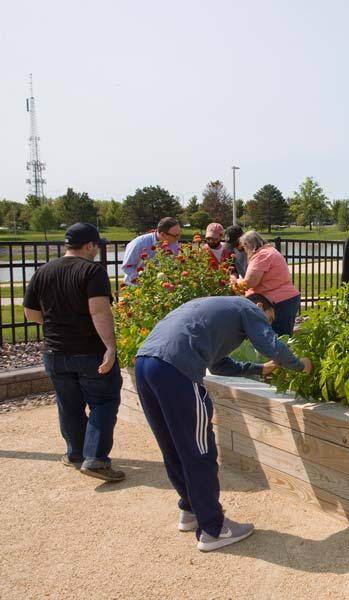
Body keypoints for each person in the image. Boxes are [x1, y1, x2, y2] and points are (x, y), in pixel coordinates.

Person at [134, 294, 314, 552]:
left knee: (174, 446)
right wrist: (299, 365)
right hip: (176, 370)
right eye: (268, 320)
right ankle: (213, 529)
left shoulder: (217, 311)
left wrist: (259, 369)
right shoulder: (246, 307)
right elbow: (272, 345)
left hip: (145, 364)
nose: (266, 326)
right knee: (200, 451)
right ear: (260, 306)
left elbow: (219, 365)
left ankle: (190, 510)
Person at [23, 223, 125, 482]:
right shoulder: (93, 272)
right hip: (90, 351)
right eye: (96, 245)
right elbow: (99, 310)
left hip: (55, 352)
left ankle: (76, 455)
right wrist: (111, 347)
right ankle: (96, 459)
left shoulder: (43, 271)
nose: (97, 250)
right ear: (89, 245)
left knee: (69, 406)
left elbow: (32, 313)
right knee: (103, 402)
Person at [237, 231, 301, 335]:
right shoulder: (271, 251)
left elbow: (250, 283)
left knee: (275, 338)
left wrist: (237, 283)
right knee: (283, 337)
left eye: (243, 248)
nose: (244, 252)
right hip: (286, 298)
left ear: (248, 245)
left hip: (278, 302)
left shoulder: (262, 256)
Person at [121, 217, 182, 285]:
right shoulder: (139, 243)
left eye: (179, 234)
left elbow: (171, 265)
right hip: (137, 287)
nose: (178, 238)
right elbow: (126, 267)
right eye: (175, 235)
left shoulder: (174, 243)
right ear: (162, 234)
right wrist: (145, 280)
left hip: (160, 286)